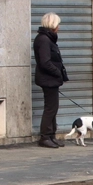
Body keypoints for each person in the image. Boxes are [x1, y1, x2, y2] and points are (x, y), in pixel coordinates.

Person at [33, 12, 68, 148]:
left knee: (53, 107)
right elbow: (45, 62)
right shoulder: (44, 40)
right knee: (50, 108)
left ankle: (51, 135)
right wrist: (58, 73)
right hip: (48, 79)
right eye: (58, 24)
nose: (59, 27)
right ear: (53, 24)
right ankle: (45, 137)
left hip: (51, 79)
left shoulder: (48, 38)